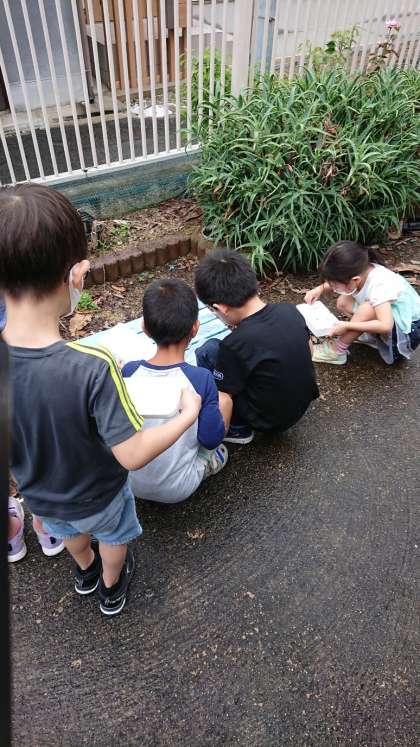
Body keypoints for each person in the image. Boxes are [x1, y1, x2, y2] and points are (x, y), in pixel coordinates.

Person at [0, 184, 201, 616]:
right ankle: (111, 584)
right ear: (76, 275)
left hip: (42, 498)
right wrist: (187, 415)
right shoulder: (93, 366)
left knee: (71, 535)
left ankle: (85, 571)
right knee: (113, 537)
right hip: (100, 497)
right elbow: (132, 454)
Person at [122, 278, 232, 503]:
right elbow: (210, 438)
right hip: (179, 488)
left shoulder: (129, 371)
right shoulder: (200, 379)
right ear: (195, 328)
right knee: (224, 404)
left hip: (131, 480)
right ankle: (209, 463)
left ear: (144, 328)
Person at [194, 248, 319, 444]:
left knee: (208, 351)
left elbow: (224, 398)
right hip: (300, 406)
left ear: (220, 308)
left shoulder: (235, 344)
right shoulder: (289, 311)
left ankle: (238, 429)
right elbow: (308, 349)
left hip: (267, 422)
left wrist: (212, 438)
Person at [305, 241, 420, 365]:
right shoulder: (363, 269)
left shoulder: (380, 285)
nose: (334, 287)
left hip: (406, 334)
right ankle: (369, 335)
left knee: (367, 309)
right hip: (393, 320)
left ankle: (337, 351)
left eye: (335, 284)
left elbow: (385, 325)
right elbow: (341, 280)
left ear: (355, 280)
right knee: (343, 302)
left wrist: (348, 326)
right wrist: (320, 289)